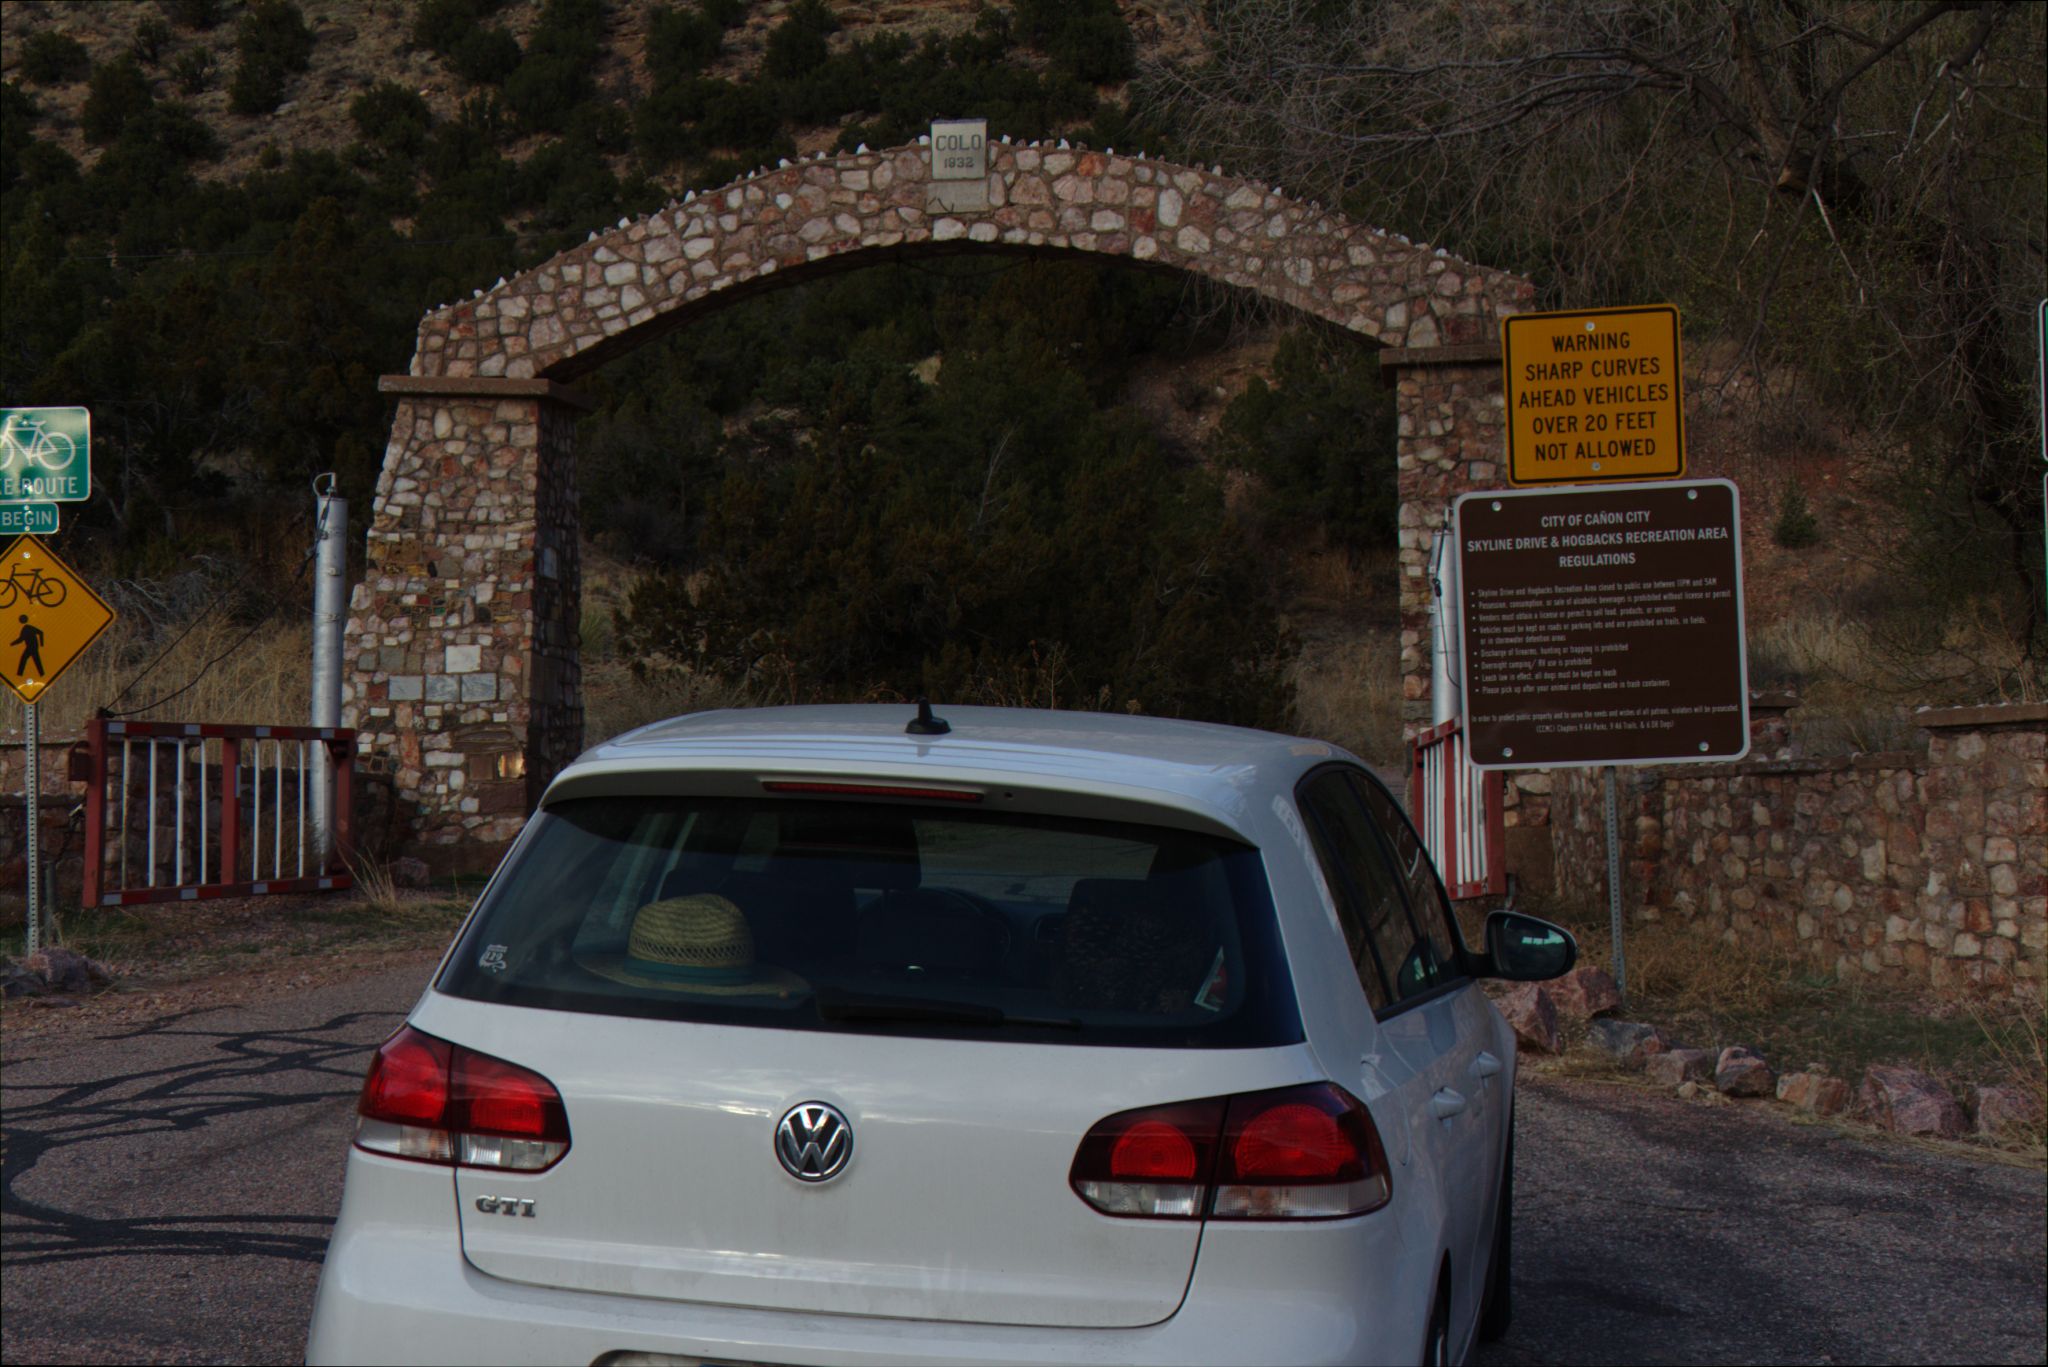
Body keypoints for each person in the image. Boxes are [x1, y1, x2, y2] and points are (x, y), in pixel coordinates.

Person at [13, 613, 45, 678]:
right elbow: (41, 633)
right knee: (35, 660)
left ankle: (19, 674)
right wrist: (41, 644)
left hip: (31, 647)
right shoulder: (30, 627)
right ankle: (42, 674)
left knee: (24, 659)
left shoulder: (25, 629)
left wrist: (11, 644)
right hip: (34, 646)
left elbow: (20, 639)